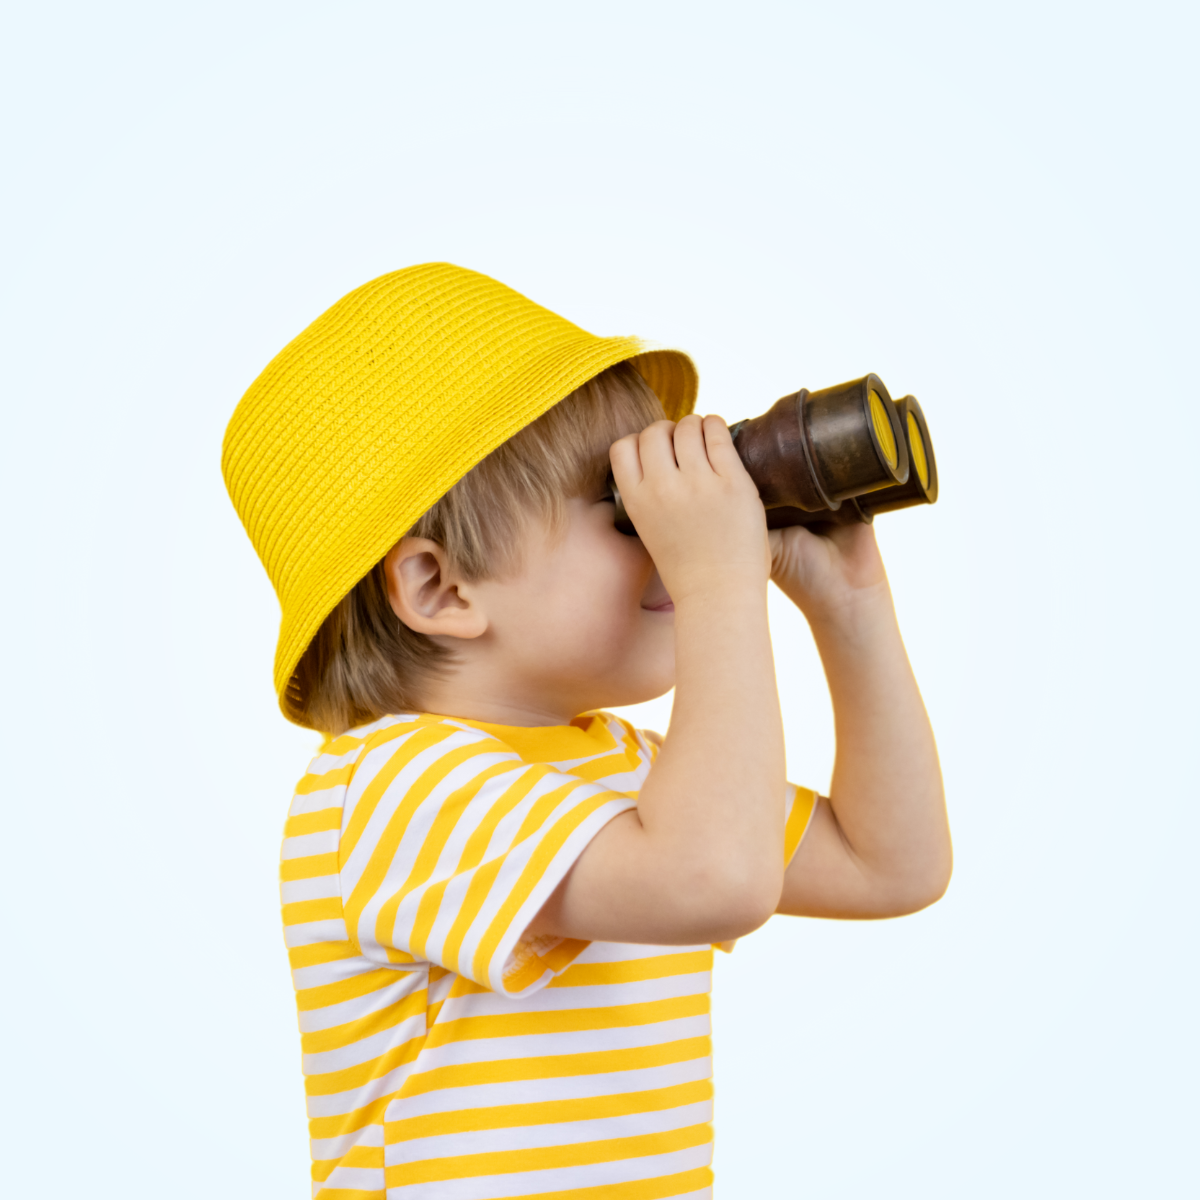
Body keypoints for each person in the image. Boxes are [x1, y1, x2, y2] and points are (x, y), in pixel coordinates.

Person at [222, 262, 952, 1199]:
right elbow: (714, 881)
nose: (670, 534)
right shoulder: (391, 783)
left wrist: (849, 605)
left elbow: (892, 865)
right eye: (625, 506)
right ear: (442, 588)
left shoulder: (625, 773)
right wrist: (718, 583)